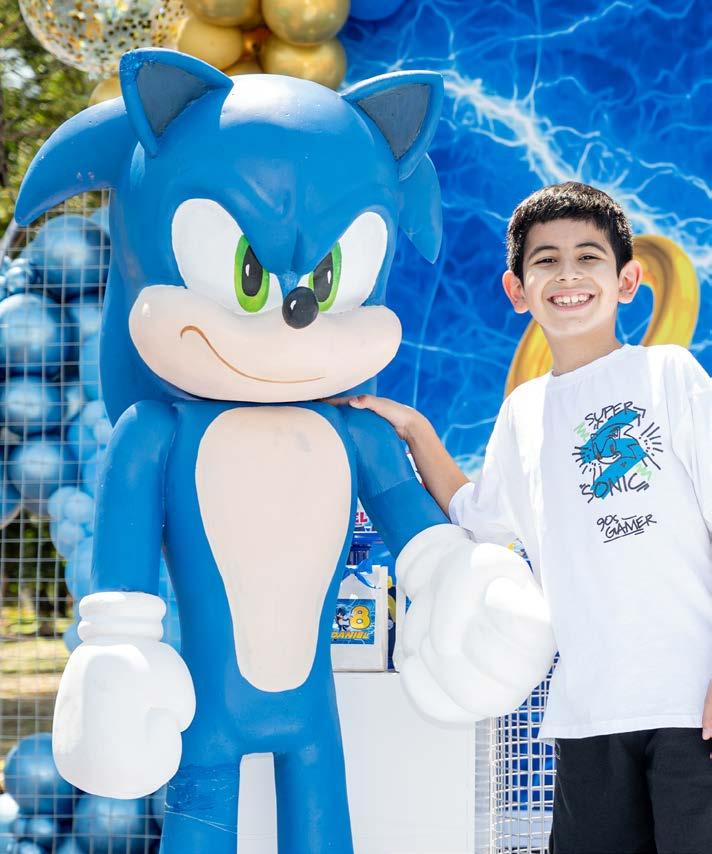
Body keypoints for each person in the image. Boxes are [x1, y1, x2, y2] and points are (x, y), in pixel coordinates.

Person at [335, 182, 712, 853]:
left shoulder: (670, 375)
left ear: (628, 281)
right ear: (517, 289)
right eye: (546, 261)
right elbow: (476, 515)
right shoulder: (524, 412)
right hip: (588, 715)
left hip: (692, 708)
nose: (568, 275)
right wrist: (416, 431)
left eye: (589, 257)